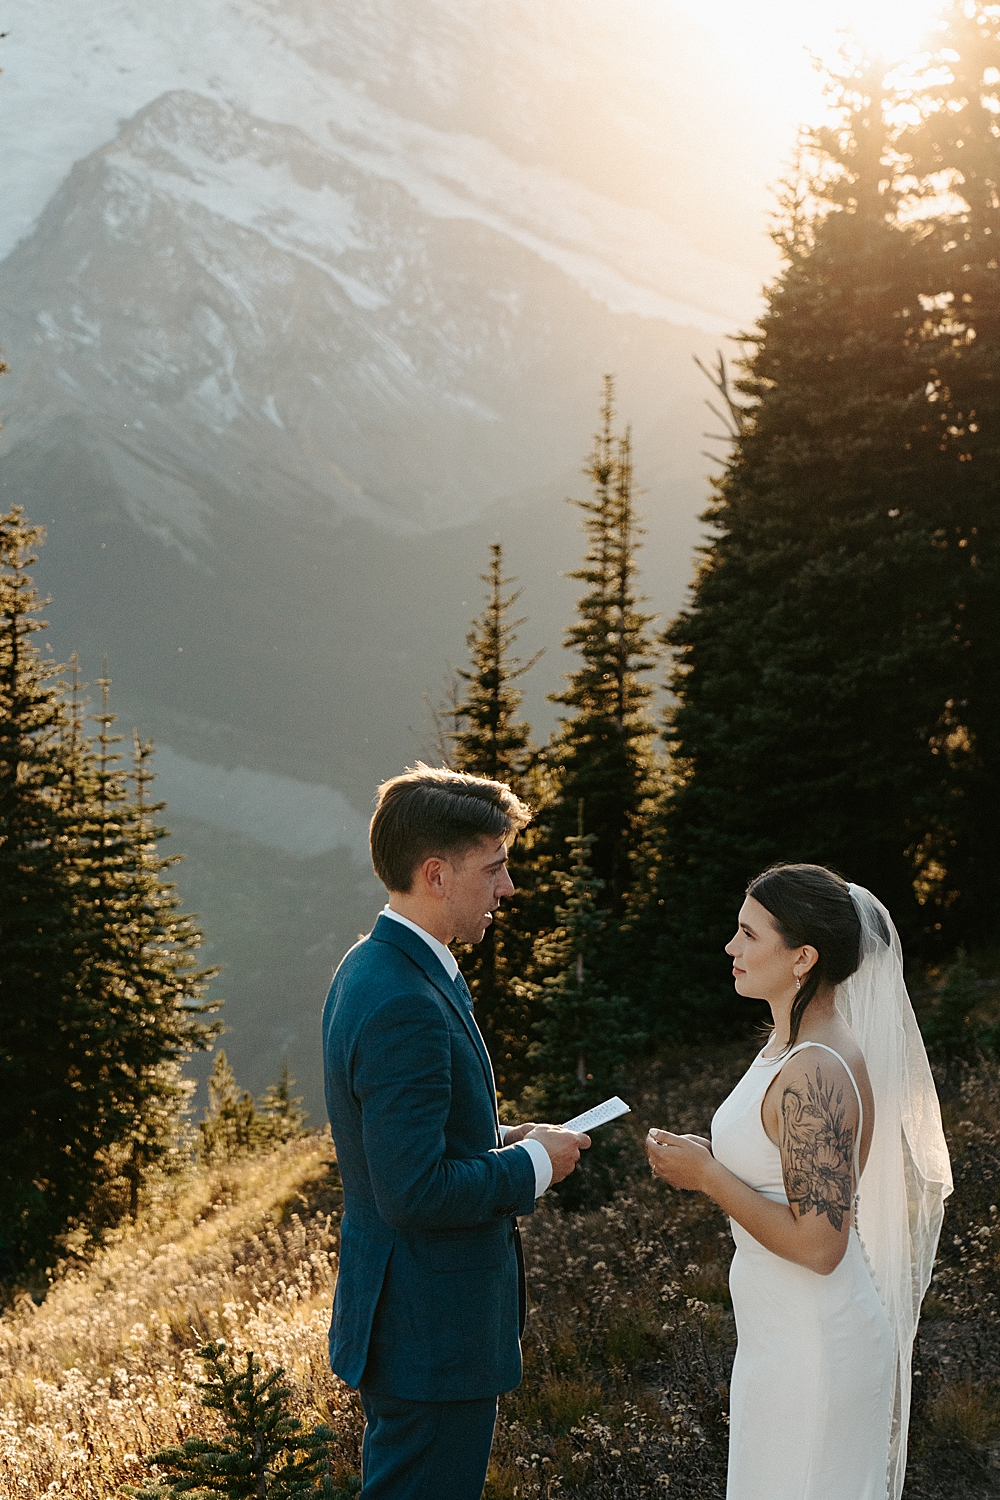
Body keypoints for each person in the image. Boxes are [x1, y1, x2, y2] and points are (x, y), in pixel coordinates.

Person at [322, 763, 590, 1500]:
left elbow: (404, 1139)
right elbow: (412, 1190)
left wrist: (507, 1136)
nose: (507, 887)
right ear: (437, 875)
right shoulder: (404, 998)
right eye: (495, 868)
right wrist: (534, 1164)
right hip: (429, 1337)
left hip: (411, 1326)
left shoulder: (373, 964)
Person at [646, 863, 952, 1500]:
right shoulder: (787, 1047)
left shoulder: (818, 1071)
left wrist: (707, 1176)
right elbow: (781, 1166)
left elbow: (820, 1245)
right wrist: (717, 1159)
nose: (731, 947)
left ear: (802, 957)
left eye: (749, 935)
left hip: (817, 1347)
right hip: (778, 1335)